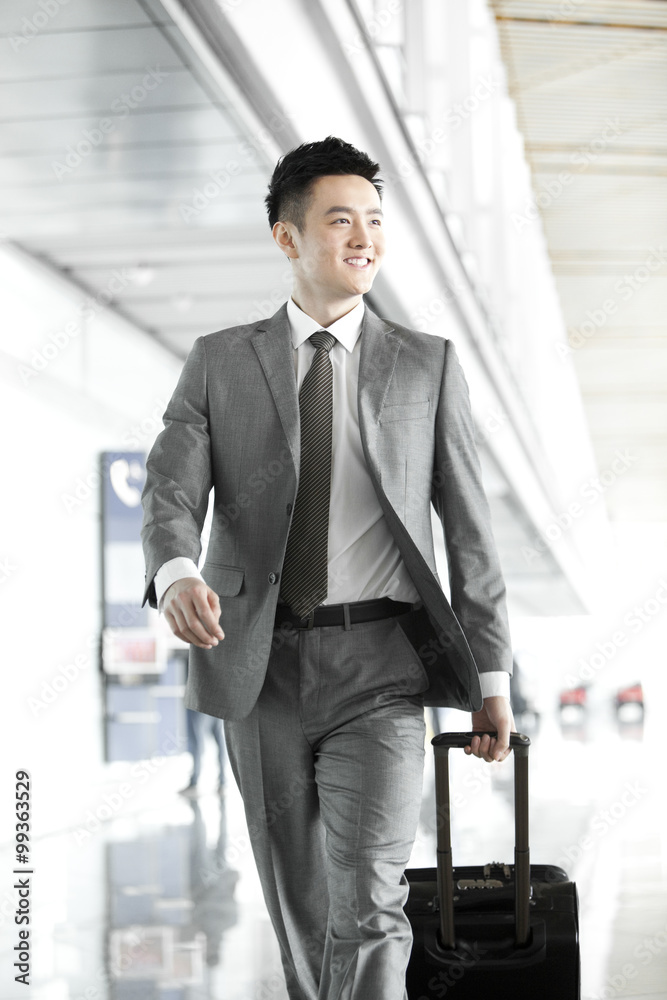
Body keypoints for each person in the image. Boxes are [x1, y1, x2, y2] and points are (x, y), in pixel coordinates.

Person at [141, 136, 514, 1000]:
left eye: (375, 222)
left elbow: (470, 534)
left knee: (371, 901)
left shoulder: (426, 364)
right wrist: (174, 572)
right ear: (287, 237)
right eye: (340, 220)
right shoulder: (220, 360)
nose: (364, 239)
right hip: (257, 665)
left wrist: (491, 675)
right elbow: (169, 485)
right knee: (299, 907)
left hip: (380, 671)